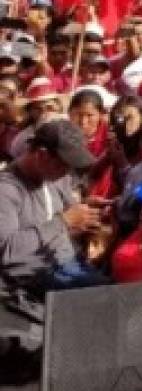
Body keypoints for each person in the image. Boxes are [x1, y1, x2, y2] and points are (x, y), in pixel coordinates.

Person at [0, 120, 107, 292]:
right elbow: (7, 250)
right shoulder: (7, 190)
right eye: (63, 165)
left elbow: (65, 212)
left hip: (67, 262)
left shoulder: (54, 178)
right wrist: (63, 222)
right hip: (31, 277)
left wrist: (88, 212)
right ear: (42, 155)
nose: (67, 172)